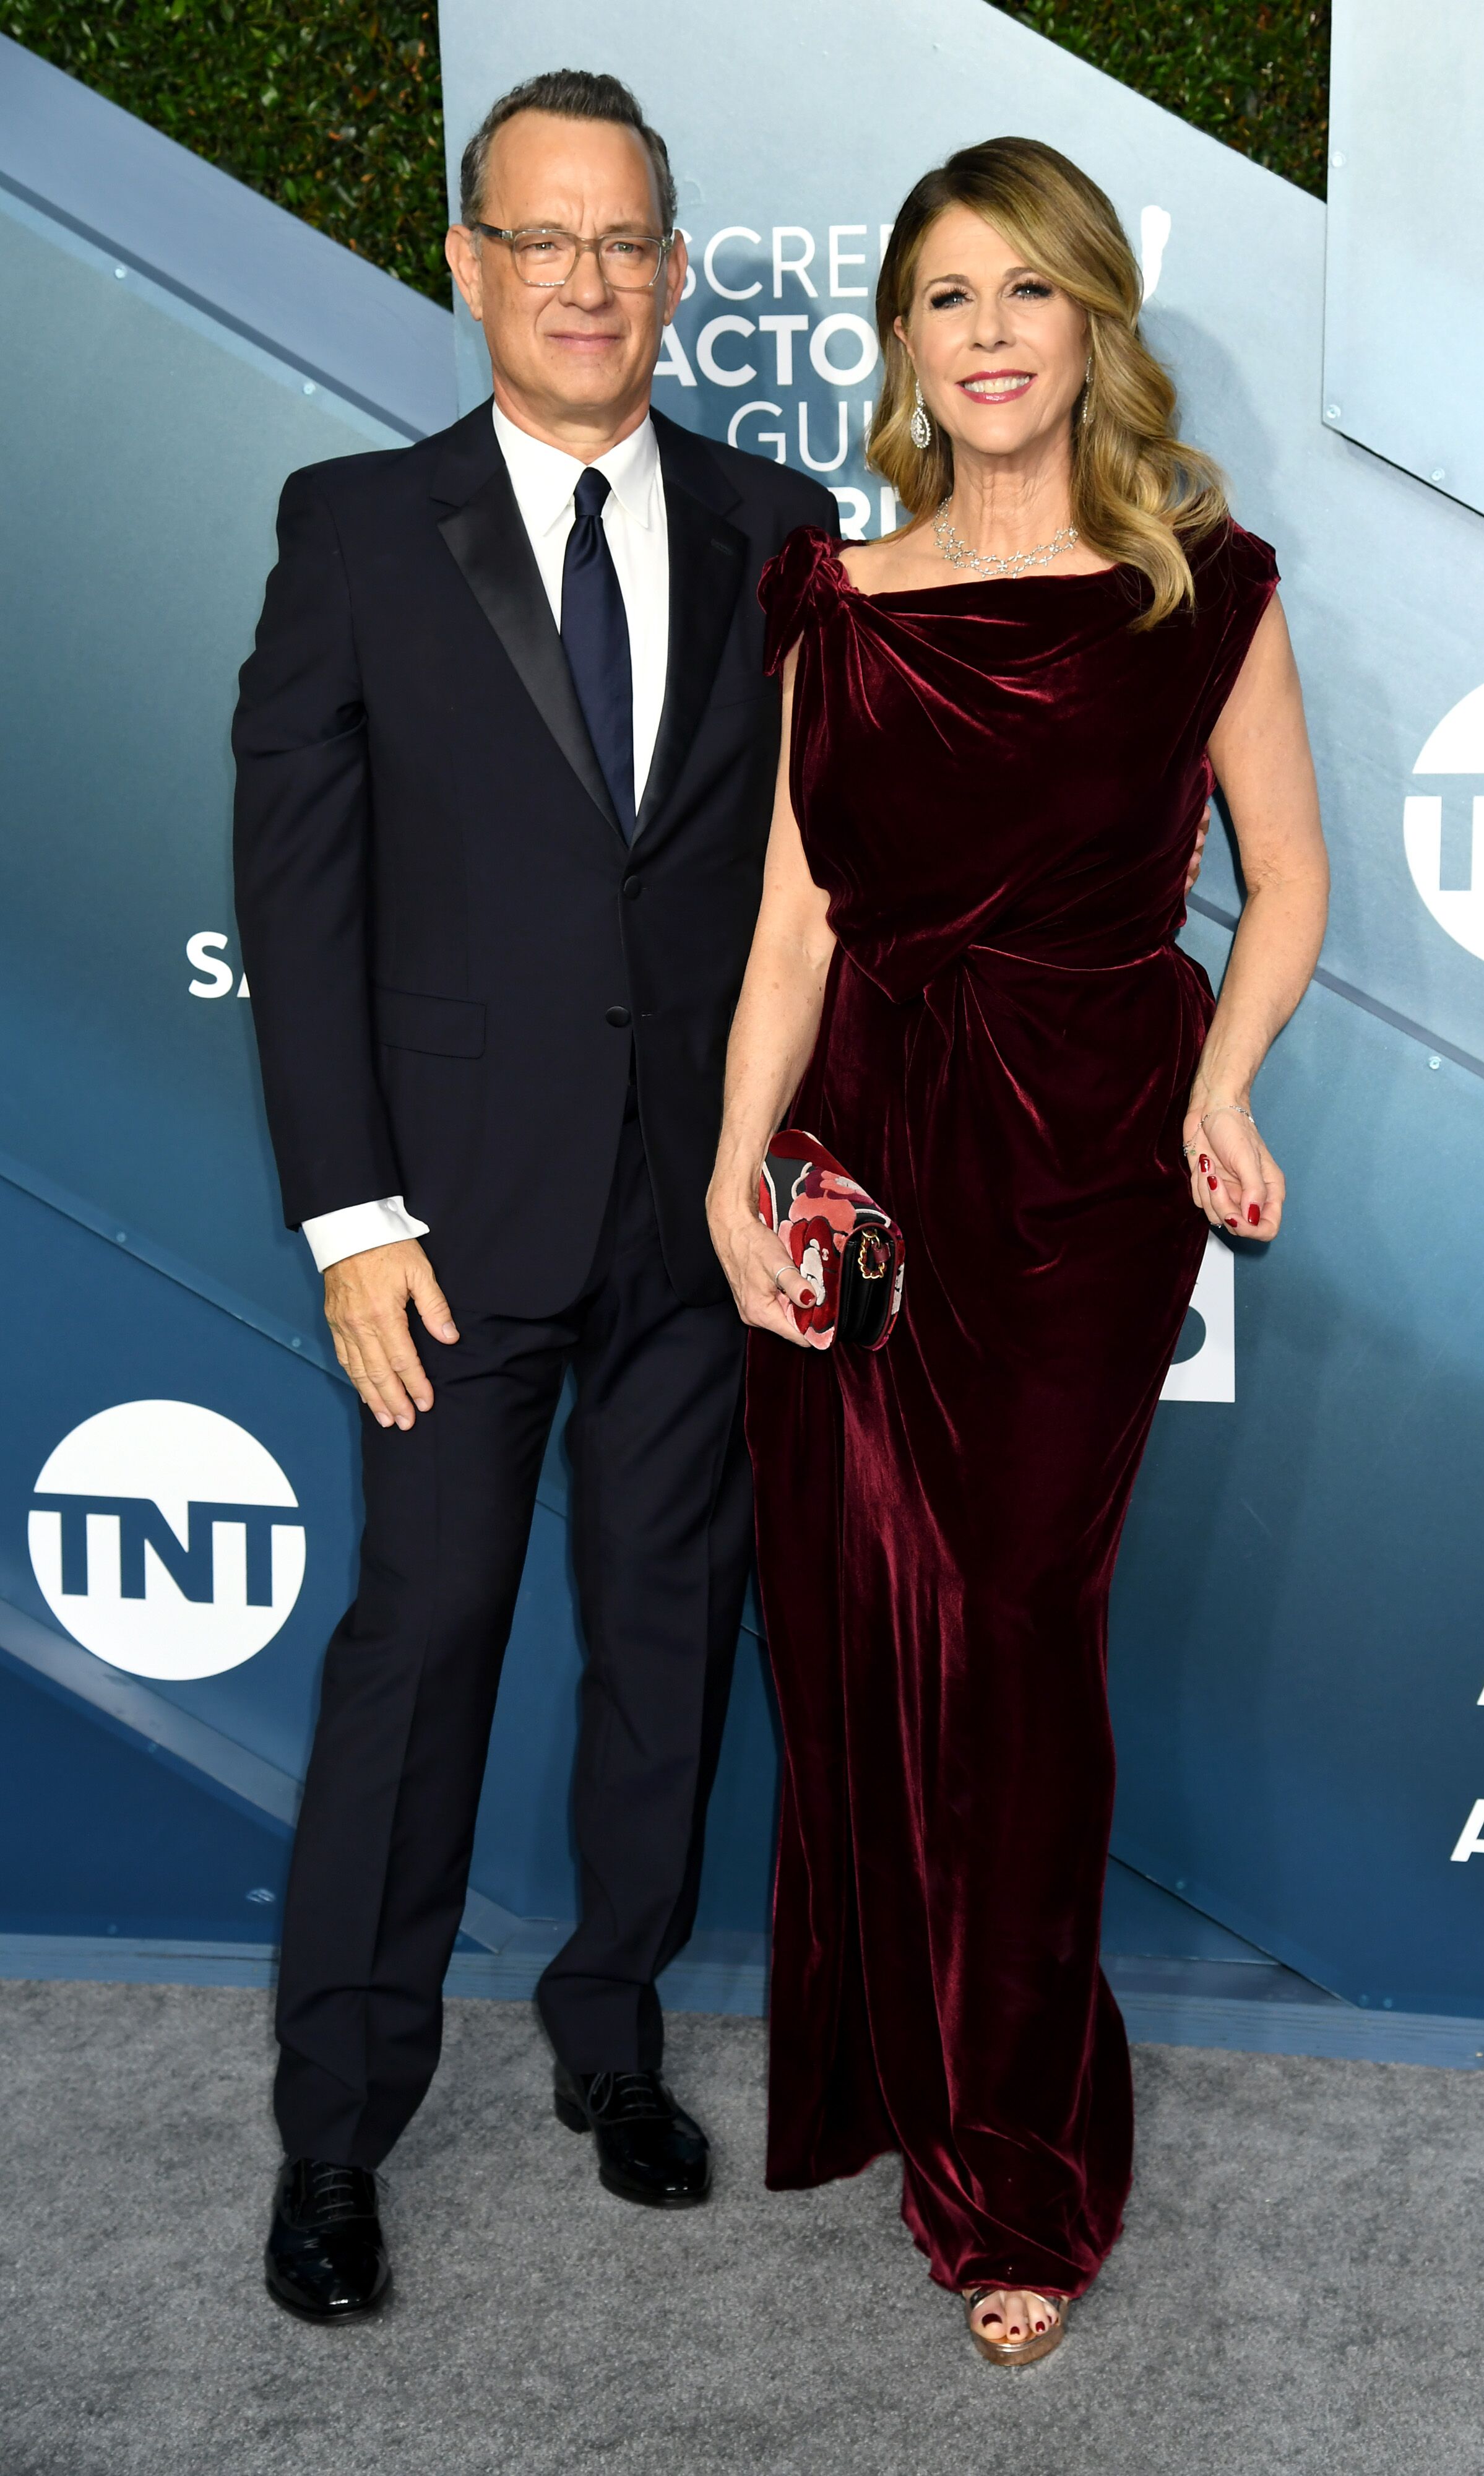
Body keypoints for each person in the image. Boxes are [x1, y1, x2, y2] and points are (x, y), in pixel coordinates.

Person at [707, 137, 1328, 2367]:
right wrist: (727, 1162)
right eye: (945, 296)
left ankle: (1021, 2167)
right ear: (905, 342)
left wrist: (1217, 1083)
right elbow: (792, 919)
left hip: (1079, 1165)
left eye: (1024, 293)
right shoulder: (833, 601)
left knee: (1014, 1640)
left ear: (1089, 325)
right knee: (863, 1623)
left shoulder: (1196, 587)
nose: (985, 334)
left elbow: (1290, 887)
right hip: (857, 1155)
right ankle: (907, 2079)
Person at [232, 69, 836, 2321]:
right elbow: (297, 908)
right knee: (428, 1650)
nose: (586, 282)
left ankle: (611, 2036)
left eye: (625, 243)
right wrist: (348, 1216)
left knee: (667, 1650)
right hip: (449, 1232)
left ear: (672, 272)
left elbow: (821, 881)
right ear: (468, 262)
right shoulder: (357, 531)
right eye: (540, 239)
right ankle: (336, 2128)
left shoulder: (788, 533)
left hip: (700, 1216)